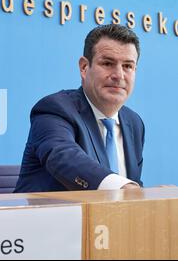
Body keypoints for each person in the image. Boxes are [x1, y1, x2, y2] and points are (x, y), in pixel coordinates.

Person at [15, 24, 144, 192]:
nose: (119, 75)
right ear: (84, 67)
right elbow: (64, 157)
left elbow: (133, 188)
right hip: (51, 217)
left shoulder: (134, 123)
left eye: (127, 66)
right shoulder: (54, 109)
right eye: (107, 63)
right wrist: (124, 188)